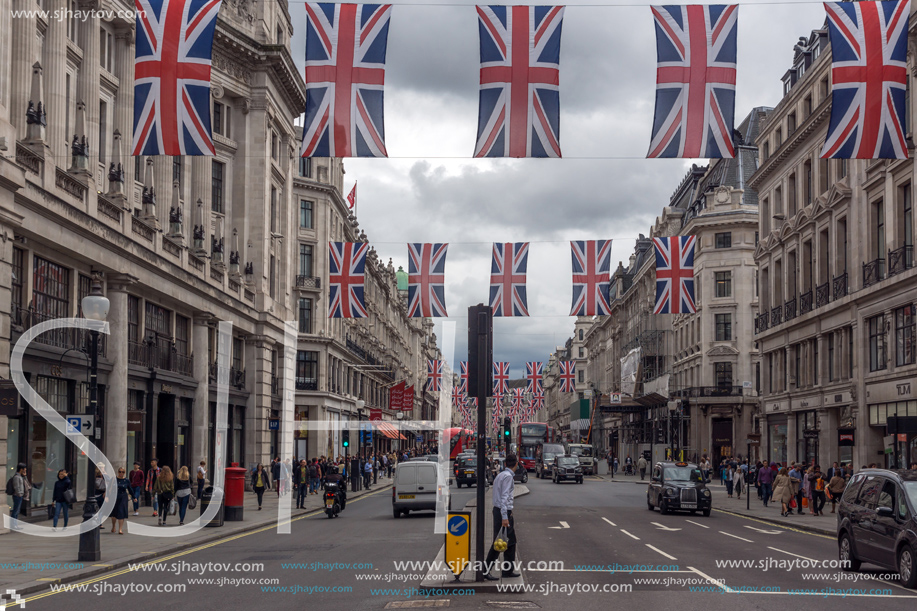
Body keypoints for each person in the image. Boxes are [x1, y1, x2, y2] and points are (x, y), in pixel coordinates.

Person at [484, 454, 519, 581]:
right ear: (516, 464)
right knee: (499, 543)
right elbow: (504, 498)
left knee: (510, 542)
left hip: (500, 511)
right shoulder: (508, 477)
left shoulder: (501, 475)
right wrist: (505, 516)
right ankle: (485, 570)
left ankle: (507, 570)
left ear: (505, 464)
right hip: (502, 513)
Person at [111, 467, 133, 534]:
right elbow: (110, 488)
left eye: (122, 472)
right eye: (120, 471)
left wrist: (134, 497)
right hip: (115, 496)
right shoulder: (114, 479)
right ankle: (114, 526)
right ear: (118, 472)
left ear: (124, 473)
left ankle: (120, 529)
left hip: (123, 497)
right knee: (114, 513)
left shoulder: (126, 480)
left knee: (121, 512)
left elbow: (130, 489)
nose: (121, 473)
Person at [9, 463, 31, 530]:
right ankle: (13, 525)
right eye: (24, 469)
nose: (25, 470)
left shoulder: (21, 477)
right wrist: (19, 494)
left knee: (17, 511)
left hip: (20, 496)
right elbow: (16, 487)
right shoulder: (16, 477)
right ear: (21, 469)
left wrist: (25, 476)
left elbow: (27, 483)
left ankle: (15, 524)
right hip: (17, 496)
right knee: (15, 511)